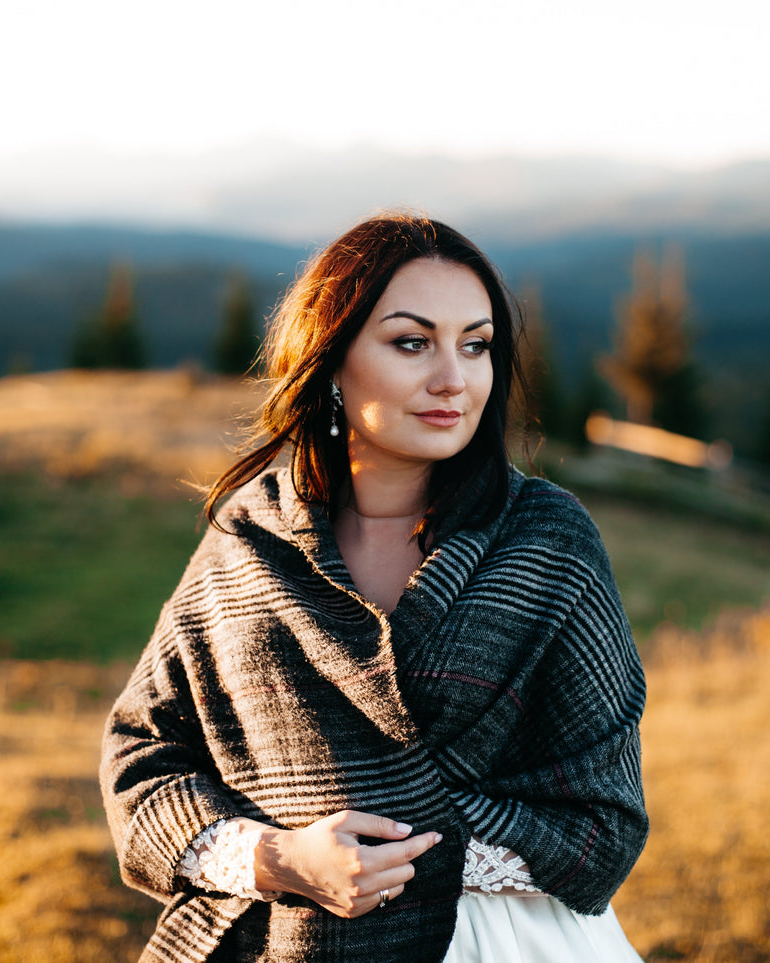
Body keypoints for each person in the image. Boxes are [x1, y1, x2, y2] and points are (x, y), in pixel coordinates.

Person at [100, 213, 647, 963]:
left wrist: (401, 854)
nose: (453, 378)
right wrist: (282, 859)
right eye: (411, 342)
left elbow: (604, 815)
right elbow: (144, 753)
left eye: (476, 344)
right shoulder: (247, 538)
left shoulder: (546, 540)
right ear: (330, 358)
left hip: (502, 940)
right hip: (282, 932)